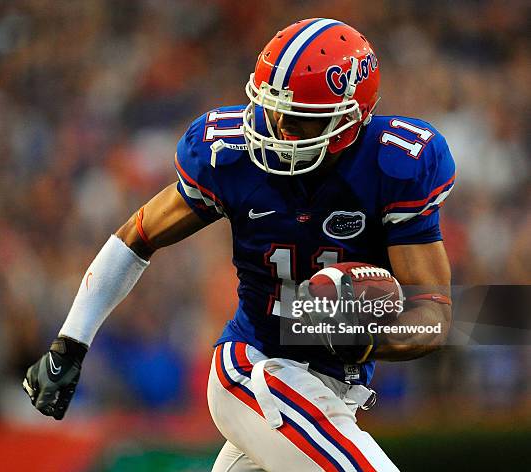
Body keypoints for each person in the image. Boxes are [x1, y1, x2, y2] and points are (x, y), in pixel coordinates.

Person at [23, 18, 455, 471]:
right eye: (271, 109)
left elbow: (434, 312)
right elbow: (138, 235)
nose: (276, 128)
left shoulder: (396, 164)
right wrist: (71, 341)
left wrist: (368, 339)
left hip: (331, 390)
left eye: (298, 120)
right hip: (255, 367)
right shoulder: (231, 156)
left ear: (349, 121)